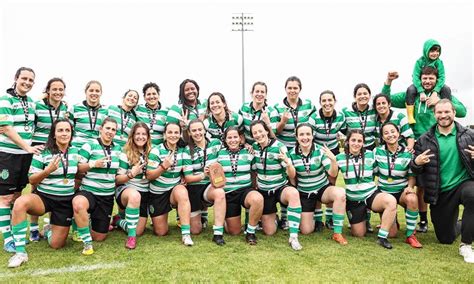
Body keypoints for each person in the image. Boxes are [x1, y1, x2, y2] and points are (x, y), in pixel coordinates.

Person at [382, 68, 466, 233]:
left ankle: (450, 214)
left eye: (431, 78)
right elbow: (387, 99)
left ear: (436, 80)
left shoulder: (441, 95)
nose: (428, 81)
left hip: (440, 142)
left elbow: (462, 111)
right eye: (425, 78)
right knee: (420, 186)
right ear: (419, 80)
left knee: (438, 182)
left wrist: (440, 100)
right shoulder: (412, 95)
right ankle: (423, 221)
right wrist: (388, 83)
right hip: (420, 145)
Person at [7, 119, 78, 268]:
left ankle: (48, 231)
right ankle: (20, 252)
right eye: (60, 130)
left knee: (56, 245)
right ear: (54, 134)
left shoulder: (76, 151)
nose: (64, 134)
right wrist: (47, 171)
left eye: (67, 130)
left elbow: (81, 171)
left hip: (65, 201)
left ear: (71, 134)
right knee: (20, 203)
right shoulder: (43, 151)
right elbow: (32, 179)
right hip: (44, 197)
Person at [410, 99, 474, 263]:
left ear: (454, 112)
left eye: (447, 112)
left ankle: (466, 245)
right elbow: (415, 169)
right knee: (445, 238)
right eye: (439, 112)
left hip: (464, 183)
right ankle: (463, 224)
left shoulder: (469, 135)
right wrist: (416, 163)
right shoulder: (424, 140)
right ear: (434, 114)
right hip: (441, 192)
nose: (443, 115)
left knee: (472, 195)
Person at [0, 67, 43, 254]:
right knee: (5, 198)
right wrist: (26, 147)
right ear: (16, 78)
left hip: (25, 157)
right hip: (8, 155)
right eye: (24, 78)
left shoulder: (32, 103)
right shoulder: (5, 99)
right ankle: (8, 238)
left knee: (17, 196)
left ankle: (13, 231)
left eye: (31, 80)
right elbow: (6, 128)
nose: (27, 82)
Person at [286, 123, 348, 245]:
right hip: (304, 192)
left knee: (340, 193)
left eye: (308, 134)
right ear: (297, 137)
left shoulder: (320, 150)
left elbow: (332, 174)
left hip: (321, 189)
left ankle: (337, 233)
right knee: (306, 230)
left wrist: (333, 161)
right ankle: (315, 217)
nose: (305, 137)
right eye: (301, 134)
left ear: (313, 135)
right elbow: (291, 176)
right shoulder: (291, 153)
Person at [336, 130, 397, 249]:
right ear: (347, 141)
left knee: (390, 203)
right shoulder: (339, 158)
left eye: (360, 141)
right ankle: (364, 217)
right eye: (353, 140)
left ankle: (382, 237)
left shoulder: (370, 155)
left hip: (371, 195)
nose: (356, 143)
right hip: (354, 199)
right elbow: (332, 177)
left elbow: (378, 171)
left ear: (363, 143)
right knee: (358, 234)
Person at [250, 120, 303, 251]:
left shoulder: (279, 146)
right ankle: (274, 218)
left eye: (260, 131)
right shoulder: (254, 147)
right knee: (269, 231)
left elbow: (292, 174)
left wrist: (288, 163)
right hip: (264, 191)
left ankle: (293, 236)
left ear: (267, 131)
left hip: (280, 187)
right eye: (255, 133)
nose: (258, 134)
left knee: (293, 193)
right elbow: (253, 170)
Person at [72, 117, 122, 255]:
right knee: (78, 203)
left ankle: (85, 221)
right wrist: (93, 164)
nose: (110, 132)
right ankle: (86, 243)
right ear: (101, 129)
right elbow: (77, 168)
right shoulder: (90, 145)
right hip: (89, 191)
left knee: (99, 237)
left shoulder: (118, 149)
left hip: (106, 196)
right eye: (108, 128)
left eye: (113, 129)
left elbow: (120, 174)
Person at [28, 77, 69, 242]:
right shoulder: (37, 105)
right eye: (55, 89)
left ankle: (50, 225)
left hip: (56, 149)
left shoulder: (65, 107)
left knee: (55, 186)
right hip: (39, 149)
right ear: (48, 90)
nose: (58, 92)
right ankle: (33, 229)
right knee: (35, 188)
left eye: (61, 89)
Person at [274, 76, 316, 230]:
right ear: (285, 89)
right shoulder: (277, 107)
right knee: (289, 181)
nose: (292, 90)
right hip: (286, 149)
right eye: (289, 88)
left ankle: (314, 217)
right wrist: (283, 122)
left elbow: (312, 127)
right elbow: (274, 131)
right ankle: (285, 217)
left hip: (304, 149)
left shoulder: (309, 105)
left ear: (300, 89)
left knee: (307, 179)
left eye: (295, 88)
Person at [374, 122, 422, 248]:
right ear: (382, 137)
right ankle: (392, 220)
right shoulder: (377, 151)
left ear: (399, 134)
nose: (390, 135)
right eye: (386, 133)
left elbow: (412, 175)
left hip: (401, 192)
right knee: (392, 234)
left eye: (393, 131)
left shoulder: (408, 152)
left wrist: (410, 187)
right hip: (384, 193)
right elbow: (372, 173)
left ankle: (410, 235)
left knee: (412, 198)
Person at [146, 122, 194, 246]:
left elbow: (187, 175)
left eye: (176, 132)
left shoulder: (184, 150)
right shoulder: (156, 151)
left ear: (180, 134)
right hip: (158, 193)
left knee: (182, 191)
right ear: (165, 135)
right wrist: (163, 167)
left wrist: (185, 175)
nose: (173, 135)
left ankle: (186, 234)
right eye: (170, 132)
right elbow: (149, 175)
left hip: (174, 190)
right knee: (161, 232)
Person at [216, 126, 263, 245]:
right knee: (234, 231)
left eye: (235, 137)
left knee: (257, 199)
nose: (233, 140)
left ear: (240, 138)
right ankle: (226, 221)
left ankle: (250, 232)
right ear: (225, 140)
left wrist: (254, 187)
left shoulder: (248, 152)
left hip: (245, 190)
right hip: (228, 193)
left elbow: (254, 172)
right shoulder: (219, 154)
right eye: (229, 137)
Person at [182, 119, 226, 245]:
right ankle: (199, 215)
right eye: (194, 130)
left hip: (209, 185)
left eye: (200, 129)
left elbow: (224, 159)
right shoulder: (187, 150)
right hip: (193, 188)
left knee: (220, 193)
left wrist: (214, 170)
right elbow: (188, 178)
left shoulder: (216, 143)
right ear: (189, 133)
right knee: (195, 230)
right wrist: (203, 175)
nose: (197, 133)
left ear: (204, 130)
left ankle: (218, 233)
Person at [308, 90, 346, 230]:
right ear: (320, 103)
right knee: (318, 184)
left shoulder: (341, 116)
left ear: (335, 101)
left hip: (334, 152)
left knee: (332, 183)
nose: (327, 103)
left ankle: (330, 218)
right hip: (317, 152)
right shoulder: (313, 117)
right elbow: (309, 137)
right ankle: (318, 219)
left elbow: (348, 133)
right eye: (324, 100)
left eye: (330, 100)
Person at [112, 122, 151, 249]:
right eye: (137, 134)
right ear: (132, 136)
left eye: (144, 134)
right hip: (127, 190)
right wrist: (131, 174)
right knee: (134, 195)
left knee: (139, 230)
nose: (141, 137)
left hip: (145, 192)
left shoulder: (152, 152)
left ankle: (118, 220)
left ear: (148, 136)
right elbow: (118, 179)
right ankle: (131, 238)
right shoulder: (126, 153)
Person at [405, 39, 451, 124]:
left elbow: (442, 77)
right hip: (419, 85)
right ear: (426, 50)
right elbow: (415, 77)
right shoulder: (419, 62)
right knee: (410, 89)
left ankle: (448, 113)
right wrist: (421, 91)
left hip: (436, 86)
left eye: (437, 51)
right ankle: (410, 115)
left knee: (446, 88)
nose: (435, 53)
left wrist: (435, 92)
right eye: (432, 51)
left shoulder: (439, 62)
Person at [69, 80, 109, 148]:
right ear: (85, 92)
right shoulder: (75, 108)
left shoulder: (105, 111)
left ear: (101, 93)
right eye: (91, 90)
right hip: (77, 146)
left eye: (97, 91)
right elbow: (68, 129)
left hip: (96, 147)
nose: (94, 93)